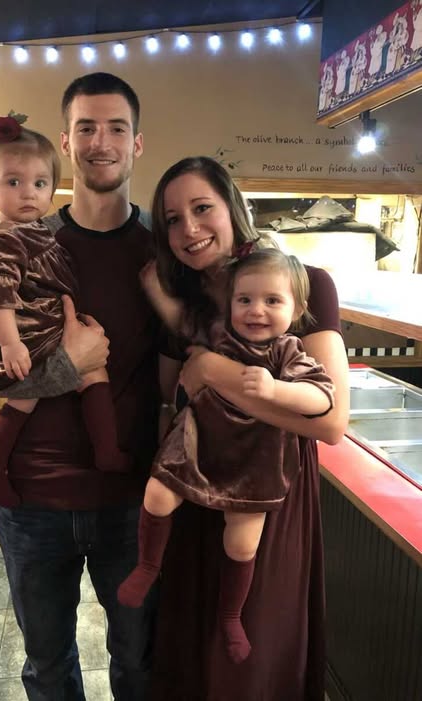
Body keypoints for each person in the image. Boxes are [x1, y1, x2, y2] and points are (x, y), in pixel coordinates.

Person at [0, 73, 175, 701]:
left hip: (129, 501)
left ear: (136, 143)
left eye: (116, 128)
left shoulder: (164, 254)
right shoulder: (22, 241)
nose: (101, 141)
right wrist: (67, 367)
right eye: (86, 128)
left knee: (140, 664)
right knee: (48, 669)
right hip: (30, 502)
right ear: (67, 141)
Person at [144, 156, 349, 701]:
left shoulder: (306, 285)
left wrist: (216, 371)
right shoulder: (186, 307)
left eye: (202, 208)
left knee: (255, 652)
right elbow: (172, 400)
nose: (189, 228)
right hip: (195, 490)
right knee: (195, 651)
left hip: (270, 494)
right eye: (172, 219)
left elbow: (330, 422)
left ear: (232, 207)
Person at [118, 246, 335, 665]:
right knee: (157, 496)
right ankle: (147, 566)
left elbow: (322, 398)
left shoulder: (287, 351)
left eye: (272, 301)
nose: (256, 311)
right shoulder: (220, 334)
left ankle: (231, 616)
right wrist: (154, 288)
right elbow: (181, 321)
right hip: (199, 442)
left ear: (296, 309)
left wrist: (276, 389)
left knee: (242, 541)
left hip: (255, 459)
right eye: (245, 299)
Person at [0, 113, 130, 508]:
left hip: (40, 322)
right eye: (13, 182)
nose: (28, 194)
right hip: (32, 329)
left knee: (27, 398)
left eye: (39, 184)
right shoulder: (8, 238)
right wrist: (10, 343)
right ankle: (106, 451)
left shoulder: (17, 231)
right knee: (89, 372)